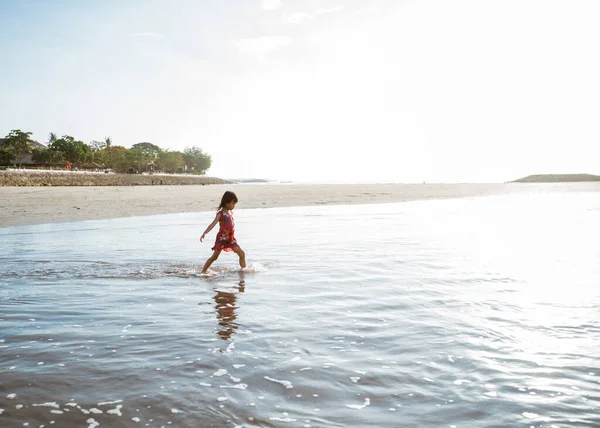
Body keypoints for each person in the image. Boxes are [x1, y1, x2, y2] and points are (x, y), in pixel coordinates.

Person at [200, 191, 246, 272]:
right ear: (226, 202)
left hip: (231, 239)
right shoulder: (221, 214)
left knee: (242, 254)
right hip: (222, 239)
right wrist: (204, 233)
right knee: (214, 257)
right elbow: (213, 223)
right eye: (233, 203)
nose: (234, 206)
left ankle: (244, 271)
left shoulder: (230, 213)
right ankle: (203, 271)